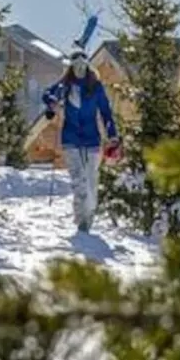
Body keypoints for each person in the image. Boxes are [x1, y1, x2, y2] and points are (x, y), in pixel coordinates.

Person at [41, 47, 121, 233]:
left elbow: (106, 113)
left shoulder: (95, 86)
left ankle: (89, 215)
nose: (79, 68)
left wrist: (112, 135)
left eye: (82, 64)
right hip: (71, 139)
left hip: (92, 140)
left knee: (91, 181)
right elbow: (47, 94)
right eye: (75, 64)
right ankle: (81, 220)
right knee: (79, 181)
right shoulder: (65, 85)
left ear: (87, 65)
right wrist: (52, 102)